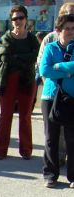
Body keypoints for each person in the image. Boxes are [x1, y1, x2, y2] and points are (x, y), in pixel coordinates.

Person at [0, 5, 39, 160]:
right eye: (14, 18)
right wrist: (23, 58)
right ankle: (0, 150)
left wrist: (17, 58)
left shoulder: (32, 38)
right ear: (11, 21)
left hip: (27, 80)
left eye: (20, 17)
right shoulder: (6, 37)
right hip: (8, 79)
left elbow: (34, 57)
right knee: (5, 115)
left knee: (25, 116)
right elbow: (5, 57)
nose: (18, 21)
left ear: (26, 19)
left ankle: (26, 150)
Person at [36, 2, 74, 166]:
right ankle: (54, 167)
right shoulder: (50, 40)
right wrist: (63, 73)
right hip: (52, 91)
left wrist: (58, 67)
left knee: (71, 135)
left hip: (70, 93)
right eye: (67, 13)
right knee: (52, 135)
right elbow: (42, 67)